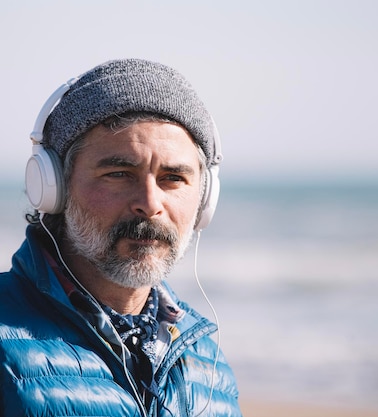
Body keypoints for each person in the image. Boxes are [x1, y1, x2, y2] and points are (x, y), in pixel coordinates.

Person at [0, 59, 242, 417]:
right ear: (54, 188)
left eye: (173, 178)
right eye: (118, 173)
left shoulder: (210, 368)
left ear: (205, 199)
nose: (149, 204)